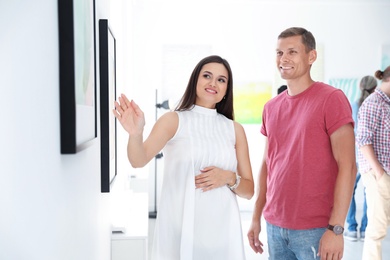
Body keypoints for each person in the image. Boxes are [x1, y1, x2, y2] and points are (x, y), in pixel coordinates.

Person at [113, 55, 254, 260]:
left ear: (226, 89)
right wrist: (135, 134)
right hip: (180, 233)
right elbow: (138, 160)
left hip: (224, 235)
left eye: (221, 80)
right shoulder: (173, 120)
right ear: (195, 80)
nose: (213, 83)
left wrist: (228, 178)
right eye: (207, 76)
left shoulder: (234, 129)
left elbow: (249, 191)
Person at [247, 27, 356, 260]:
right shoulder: (271, 107)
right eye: (279, 52)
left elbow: (348, 166)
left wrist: (336, 229)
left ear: (311, 56)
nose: (283, 59)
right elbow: (268, 164)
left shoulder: (331, 99)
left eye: (292, 52)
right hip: (274, 226)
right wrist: (256, 217)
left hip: (316, 230)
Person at [356, 66, 390, 260]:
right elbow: (363, 141)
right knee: (376, 230)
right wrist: (380, 174)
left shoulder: (386, 104)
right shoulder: (373, 103)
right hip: (378, 175)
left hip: (384, 173)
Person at [344, 75, 377, 242]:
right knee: (368, 193)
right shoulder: (377, 105)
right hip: (371, 158)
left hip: (355, 156)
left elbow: (349, 133)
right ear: (374, 88)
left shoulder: (352, 106)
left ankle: (351, 228)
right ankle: (365, 230)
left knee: (349, 192)